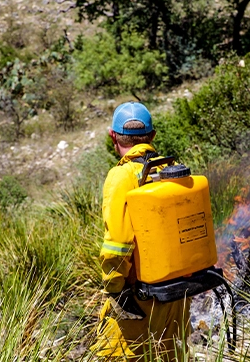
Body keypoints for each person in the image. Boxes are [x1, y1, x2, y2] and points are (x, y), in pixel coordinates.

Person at [92, 102, 191, 361]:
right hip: (177, 294)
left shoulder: (121, 176)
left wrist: (116, 290)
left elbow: (118, 245)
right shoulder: (171, 169)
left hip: (137, 297)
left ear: (113, 136)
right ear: (153, 136)